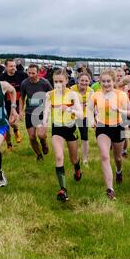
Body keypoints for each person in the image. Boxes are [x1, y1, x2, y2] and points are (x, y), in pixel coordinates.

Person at [87, 69, 130, 198]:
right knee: (104, 156)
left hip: (118, 127)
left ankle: (119, 171)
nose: (106, 84)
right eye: (103, 81)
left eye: (109, 81)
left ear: (114, 82)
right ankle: (110, 189)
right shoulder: (96, 95)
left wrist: (120, 110)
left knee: (118, 158)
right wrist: (92, 120)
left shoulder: (121, 95)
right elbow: (89, 109)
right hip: (102, 127)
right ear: (100, 82)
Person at [43, 69, 83, 201]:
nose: (58, 84)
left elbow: (81, 114)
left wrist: (69, 109)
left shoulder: (73, 95)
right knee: (59, 157)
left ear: (66, 80)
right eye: (55, 81)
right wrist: (43, 124)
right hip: (57, 129)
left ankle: (77, 168)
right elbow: (46, 111)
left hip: (70, 128)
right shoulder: (49, 95)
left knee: (73, 159)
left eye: (61, 81)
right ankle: (63, 190)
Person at [19, 64, 52, 161]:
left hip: (42, 113)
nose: (31, 75)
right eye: (29, 73)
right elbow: (22, 98)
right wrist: (20, 111)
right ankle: (39, 155)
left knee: (41, 135)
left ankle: (44, 144)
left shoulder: (45, 83)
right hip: (29, 113)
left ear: (38, 73)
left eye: (33, 73)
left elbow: (52, 95)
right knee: (32, 137)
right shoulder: (24, 83)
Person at [0, 59, 28, 150]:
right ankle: (9, 144)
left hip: (17, 102)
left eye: (14, 66)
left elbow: (28, 83)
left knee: (12, 122)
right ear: (6, 67)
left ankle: (16, 130)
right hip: (5, 103)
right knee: (6, 125)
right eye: (11, 66)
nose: (13, 68)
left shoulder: (22, 75)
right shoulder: (1, 77)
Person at [71, 72, 94, 166]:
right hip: (72, 115)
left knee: (84, 137)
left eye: (86, 81)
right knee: (72, 137)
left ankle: (85, 160)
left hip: (83, 116)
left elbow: (91, 106)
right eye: (82, 80)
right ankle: (74, 157)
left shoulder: (91, 91)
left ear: (89, 81)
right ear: (78, 80)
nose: (84, 82)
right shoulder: (72, 89)